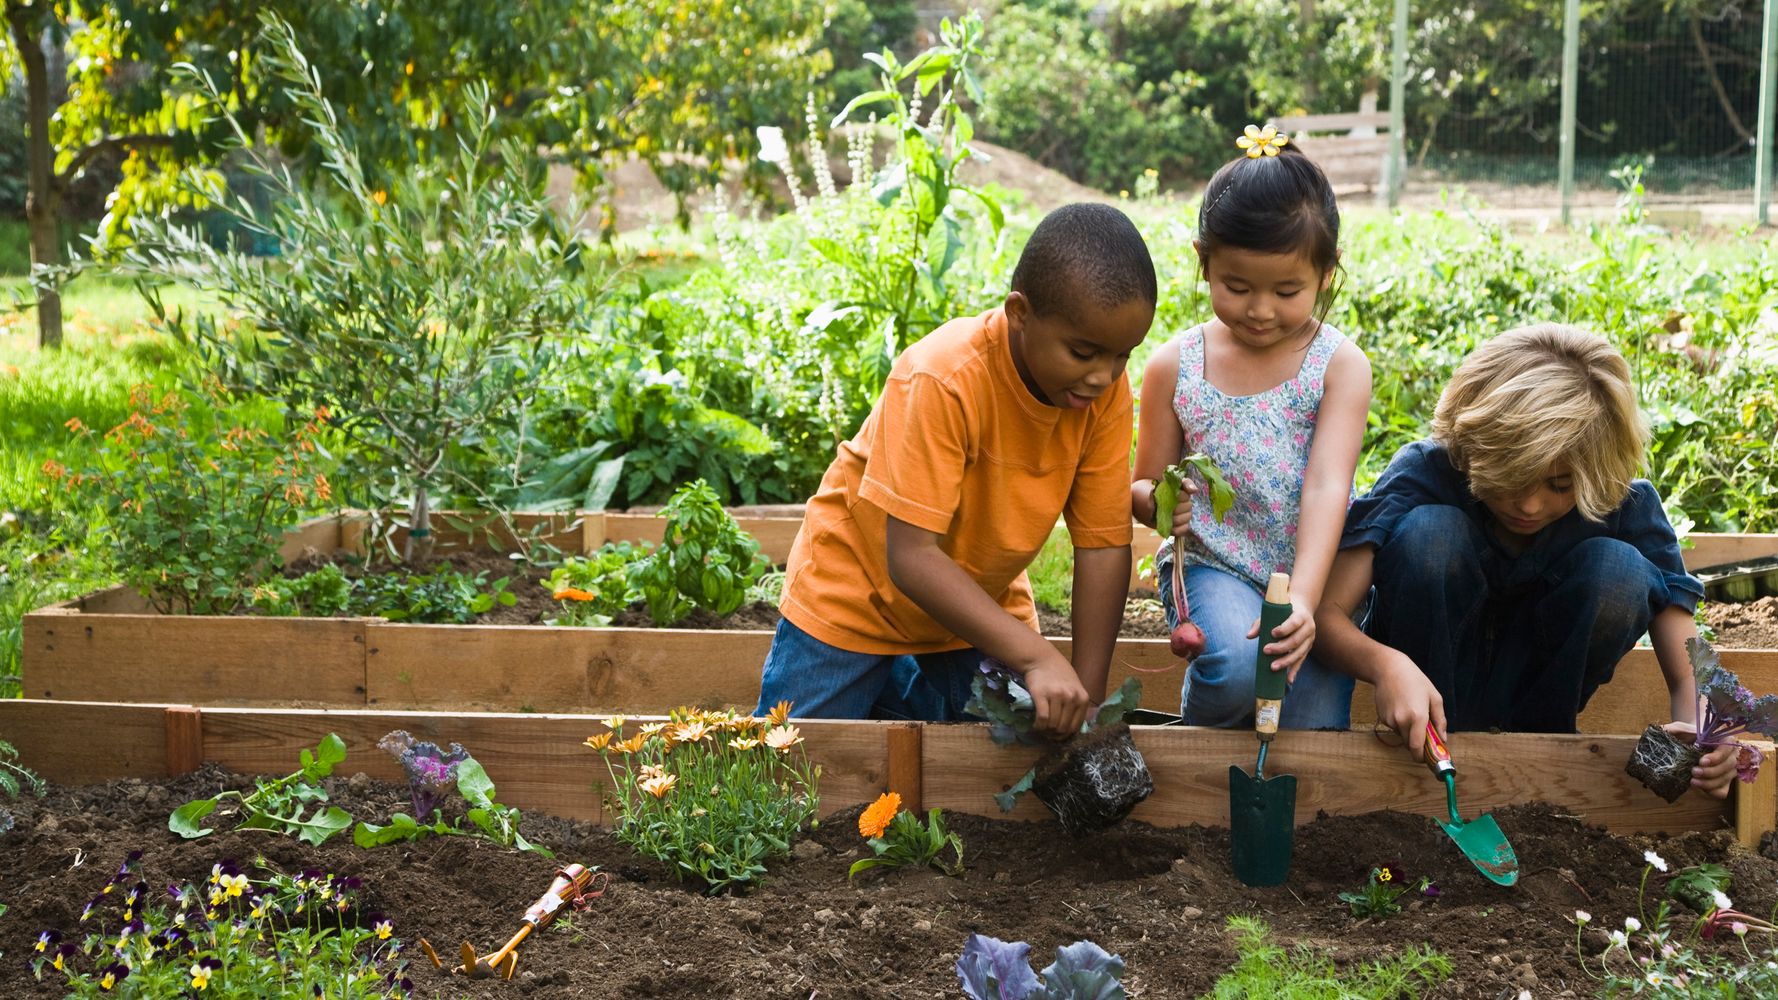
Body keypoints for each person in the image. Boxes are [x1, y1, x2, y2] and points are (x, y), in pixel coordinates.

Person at [756, 202, 1157, 737]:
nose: (1103, 376)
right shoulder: (944, 378)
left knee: (1020, 742)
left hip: (976, 603)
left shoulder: (1099, 393)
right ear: (1020, 314)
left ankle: (897, 686)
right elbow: (911, 557)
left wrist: (1083, 699)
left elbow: (1104, 546)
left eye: (1122, 356)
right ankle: (887, 677)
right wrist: (1037, 658)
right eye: (1083, 352)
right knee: (788, 760)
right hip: (858, 591)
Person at [1311, 323, 1737, 797]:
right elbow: (1326, 618)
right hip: (1427, 705)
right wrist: (1385, 665)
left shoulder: (1623, 505)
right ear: (1472, 449)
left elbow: (1689, 668)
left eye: (1559, 486)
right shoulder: (1427, 473)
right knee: (1431, 534)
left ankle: (1541, 752)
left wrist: (1705, 733)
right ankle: (1434, 746)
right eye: (1511, 481)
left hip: (1543, 701)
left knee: (1619, 570)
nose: (1530, 505)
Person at [1130, 124, 1372, 728]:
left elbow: (1326, 487)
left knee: (1310, 728)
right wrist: (1161, 505)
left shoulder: (1337, 366)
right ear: (1203, 262)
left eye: (1287, 290)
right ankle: (1196, 769)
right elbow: (1141, 486)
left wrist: (1306, 603)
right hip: (1217, 565)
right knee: (1238, 669)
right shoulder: (1175, 366)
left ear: (1326, 273)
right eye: (1236, 287)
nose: (1260, 310)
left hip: (1311, 570)